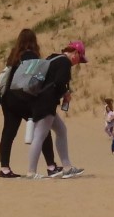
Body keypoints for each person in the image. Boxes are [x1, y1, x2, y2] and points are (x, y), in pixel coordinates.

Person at [0, 28, 57, 179]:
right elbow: (35, 80)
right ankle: (51, 166)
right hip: (22, 98)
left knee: (8, 132)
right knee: (43, 128)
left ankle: (5, 168)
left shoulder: (13, 56)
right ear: (33, 41)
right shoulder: (31, 55)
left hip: (7, 98)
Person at [24, 40, 87, 179]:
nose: (78, 62)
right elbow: (59, 83)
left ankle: (67, 167)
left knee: (61, 130)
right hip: (46, 103)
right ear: (75, 53)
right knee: (39, 136)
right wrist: (65, 94)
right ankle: (31, 172)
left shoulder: (53, 58)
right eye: (80, 58)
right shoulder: (65, 63)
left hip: (38, 100)